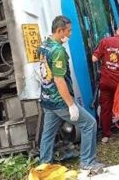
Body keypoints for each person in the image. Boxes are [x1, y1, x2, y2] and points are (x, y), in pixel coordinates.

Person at [38, 16, 104, 174]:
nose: (71, 34)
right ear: (60, 31)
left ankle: (43, 165)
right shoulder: (58, 50)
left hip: (47, 99)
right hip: (60, 100)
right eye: (69, 31)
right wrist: (71, 105)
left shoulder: (44, 44)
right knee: (89, 124)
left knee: (48, 134)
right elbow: (59, 80)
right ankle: (87, 162)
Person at [92, 22, 119, 143]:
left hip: (105, 81)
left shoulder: (105, 41)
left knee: (105, 108)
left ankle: (106, 135)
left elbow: (94, 58)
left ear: (117, 30)